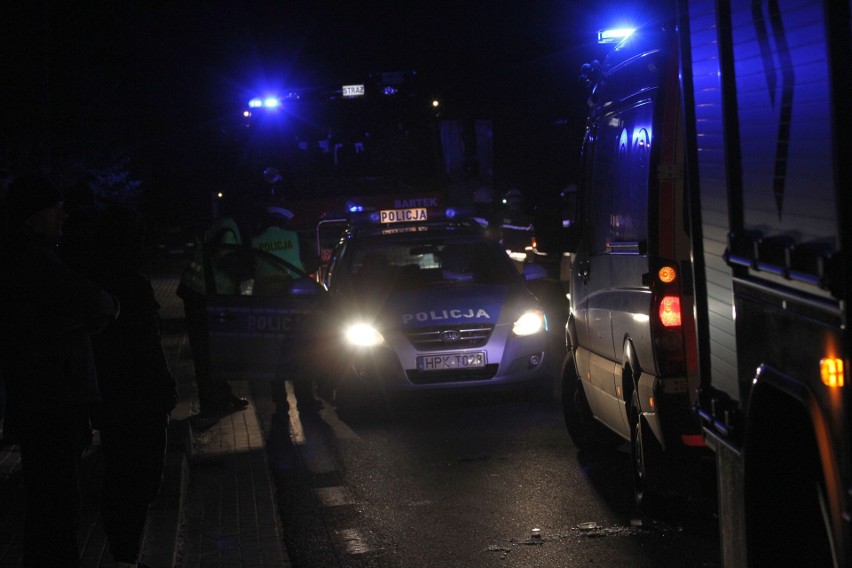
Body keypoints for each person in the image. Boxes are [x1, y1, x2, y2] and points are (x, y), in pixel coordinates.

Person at [0, 174, 119, 567]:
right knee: (57, 509)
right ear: (34, 216)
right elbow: (96, 304)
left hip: (38, 401)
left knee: (46, 509)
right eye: (55, 208)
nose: (62, 215)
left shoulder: (24, 258)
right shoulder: (36, 261)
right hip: (53, 403)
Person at [86, 205, 177, 568]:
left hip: (115, 396)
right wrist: (164, 386)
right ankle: (125, 553)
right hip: (136, 396)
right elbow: (146, 346)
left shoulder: (98, 279)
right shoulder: (128, 284)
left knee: (123, 473)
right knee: (138, 477)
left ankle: (124, 553)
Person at [250, 204, 320, 412]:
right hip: (294, 301)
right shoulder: (294, 238)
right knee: (300, 350)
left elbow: (248, 268)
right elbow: (313, 262)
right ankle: (305, 400)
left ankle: (279, 400)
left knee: (274, 351)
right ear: (284, 221)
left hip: (267, 304)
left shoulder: (255, 240)